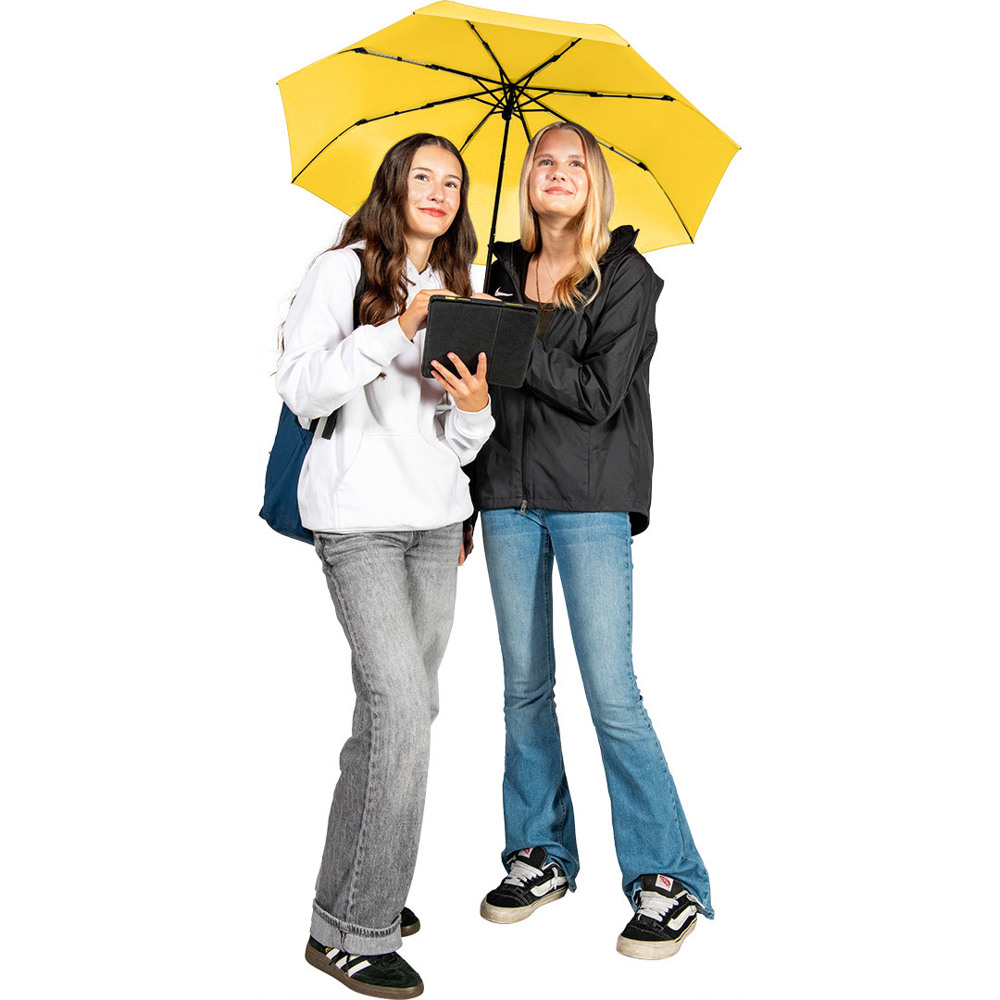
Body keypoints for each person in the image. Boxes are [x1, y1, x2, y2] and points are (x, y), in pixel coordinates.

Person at [471, 121, 713, 960]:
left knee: (612, 692)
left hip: (590, 501)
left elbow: (599, 394)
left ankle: (668, 876)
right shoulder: (499, 271)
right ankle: (539, 852)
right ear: (528, 179)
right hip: (505, 500)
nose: (558, 172)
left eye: (574, 162)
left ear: (595, 183)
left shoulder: (627, 275)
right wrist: (465, 503)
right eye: (544, 161)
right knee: (523, 688)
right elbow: (476, 399)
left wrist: (513, 334)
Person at [276, 133, 493, 999]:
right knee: (401, 711)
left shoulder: (465, 290)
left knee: (403, 712)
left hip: (437, 524)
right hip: (359, 525)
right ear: (395, 186)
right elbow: (302, 389)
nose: (439, 192)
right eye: (424, 177)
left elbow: (459, 438)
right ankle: (359, 933)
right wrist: (394, 329)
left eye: (454, 182)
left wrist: (475, 408)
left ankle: (347, 895)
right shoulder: (343, 272)